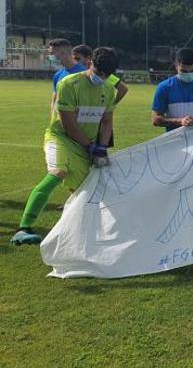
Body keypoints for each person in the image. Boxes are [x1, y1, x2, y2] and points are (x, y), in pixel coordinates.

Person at [12, 47, 120, 245]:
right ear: (91, 64)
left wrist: (102, 147)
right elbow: (68, 125)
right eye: (99, 73)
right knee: (58, 172)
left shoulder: (108, 89)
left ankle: (82, 231)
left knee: (85, 190)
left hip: (84, 146)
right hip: (61, 138)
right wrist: (92, 147)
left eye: (107, 75)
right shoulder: (69, 84)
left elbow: (106, 122)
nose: (102, 78)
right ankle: (24, 228)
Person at [47, 39, 87, 110]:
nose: (50, 56)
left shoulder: (85, 72)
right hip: (61, 120)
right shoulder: (58, 75)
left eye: (52, 53)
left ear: (63, 53)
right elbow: (55, 100)